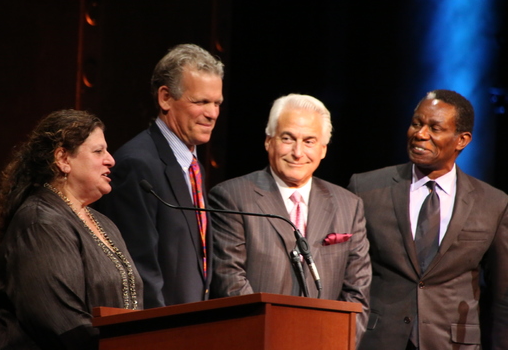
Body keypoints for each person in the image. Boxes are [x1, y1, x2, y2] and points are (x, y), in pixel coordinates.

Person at [348, 89, 508, 350]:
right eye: (416, 124)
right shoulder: (365, 188)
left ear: (462, 140)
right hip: (377, 339)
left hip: (452, 343)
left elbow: (503, 294)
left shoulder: (493, 203)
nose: (420, 134)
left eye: (435, 127)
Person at [209, 93, 371, 343]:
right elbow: (231, 284)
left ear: (323, 149)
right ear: (268, 141)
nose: (298, 152)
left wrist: (334, 344)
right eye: (288, 138)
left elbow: (357, 295)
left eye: (309, 141)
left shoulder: (349, 205)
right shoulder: (232, 198)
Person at [0, 110, 142, 350]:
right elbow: (62, 323)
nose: (111, 160)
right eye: (98, 151)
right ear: (63, 159)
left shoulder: (104, 224)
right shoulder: (40, 223)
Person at [93, 44, 224, 308]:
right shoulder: (137, 165)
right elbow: (138, 271)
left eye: (217, 103)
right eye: (201, 102)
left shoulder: (194, 166)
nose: (212, 113)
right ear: (165, 98)